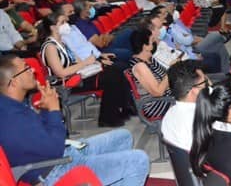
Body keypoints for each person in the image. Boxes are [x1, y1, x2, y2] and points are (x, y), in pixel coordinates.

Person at [0, 54, 150, 185]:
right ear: (14, 82)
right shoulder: (10, 118)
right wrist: (53, 111)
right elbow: (54, 148)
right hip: (55, 170)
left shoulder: (15, 104)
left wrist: (47, 110)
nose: (32, 70)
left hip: (63, 154)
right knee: (138, 160)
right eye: (26, 68)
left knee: (123, 136)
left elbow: (44, 134)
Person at [39, 13, 132, 127]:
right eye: (62, 22)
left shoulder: (62, 43)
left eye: (66, 22)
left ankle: (124, 108)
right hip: (65, 83)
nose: (67, 25)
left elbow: (78, 61)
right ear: (53, 27)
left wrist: (96, 63)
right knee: (111, 77)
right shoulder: (50, 46)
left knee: (115, 69)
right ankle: (108, 118)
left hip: (77, 76)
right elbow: (60, 72)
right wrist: (85, 63)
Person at [161, 60, 207, 151]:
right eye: (204, 83)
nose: (207, 86)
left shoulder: (169, 114)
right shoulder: (199, 118)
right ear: (193, 90)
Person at [128, 27, 173, 119]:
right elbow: (158, 92)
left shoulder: (150, 60)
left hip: (168, 97)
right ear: (145, 46)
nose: (156, 41)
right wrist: (172, 69)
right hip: (157, 104)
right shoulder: (140, 66)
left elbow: (165, 78)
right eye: (152, 40)